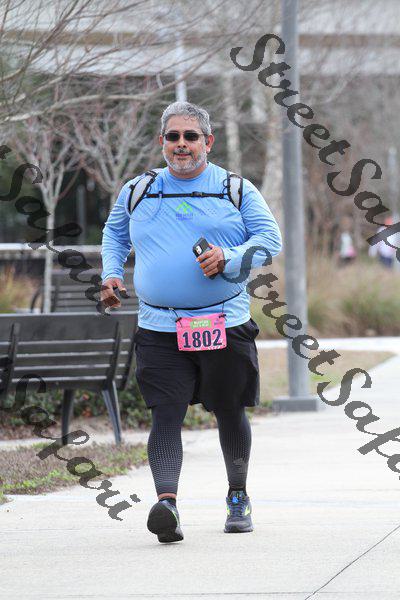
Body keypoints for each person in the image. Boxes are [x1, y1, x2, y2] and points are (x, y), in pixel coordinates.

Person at [100, 101, 282, 544]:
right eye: (173, 137)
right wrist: (110, 273)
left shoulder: (234, 189)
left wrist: (230, 256)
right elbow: (114, 234)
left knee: (229, 408)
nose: (181, 144)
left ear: (208, 141)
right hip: (159, 326)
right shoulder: (138, 190)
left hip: (224, 321)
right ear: (162, 142)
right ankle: (167, 505)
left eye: (190, 136)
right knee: (165, 413)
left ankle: (237, 495)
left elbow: (269, 240)